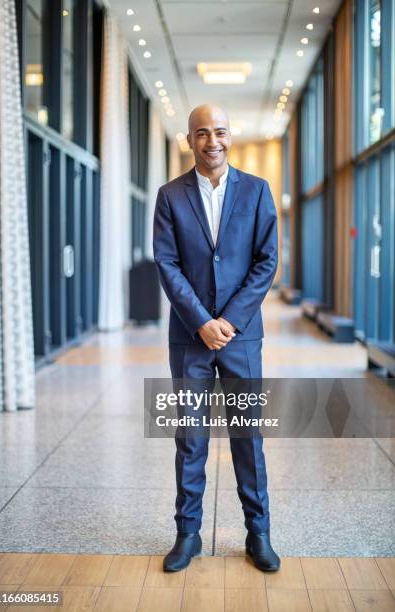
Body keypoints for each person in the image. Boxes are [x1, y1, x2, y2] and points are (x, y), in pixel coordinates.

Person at [153, 104, 280, 573]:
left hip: (242, 338)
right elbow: (167, 263)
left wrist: (228, 321)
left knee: (248, 436)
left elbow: (266, 261)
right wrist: (202, 322)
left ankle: (258, 533)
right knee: (191, 438)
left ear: (231, 136)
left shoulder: (258, 191)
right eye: (202, 133)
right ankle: (188, 534)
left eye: (220, 132)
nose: (212, 141)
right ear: (189, 140)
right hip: (190, 339)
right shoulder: (170, 195)